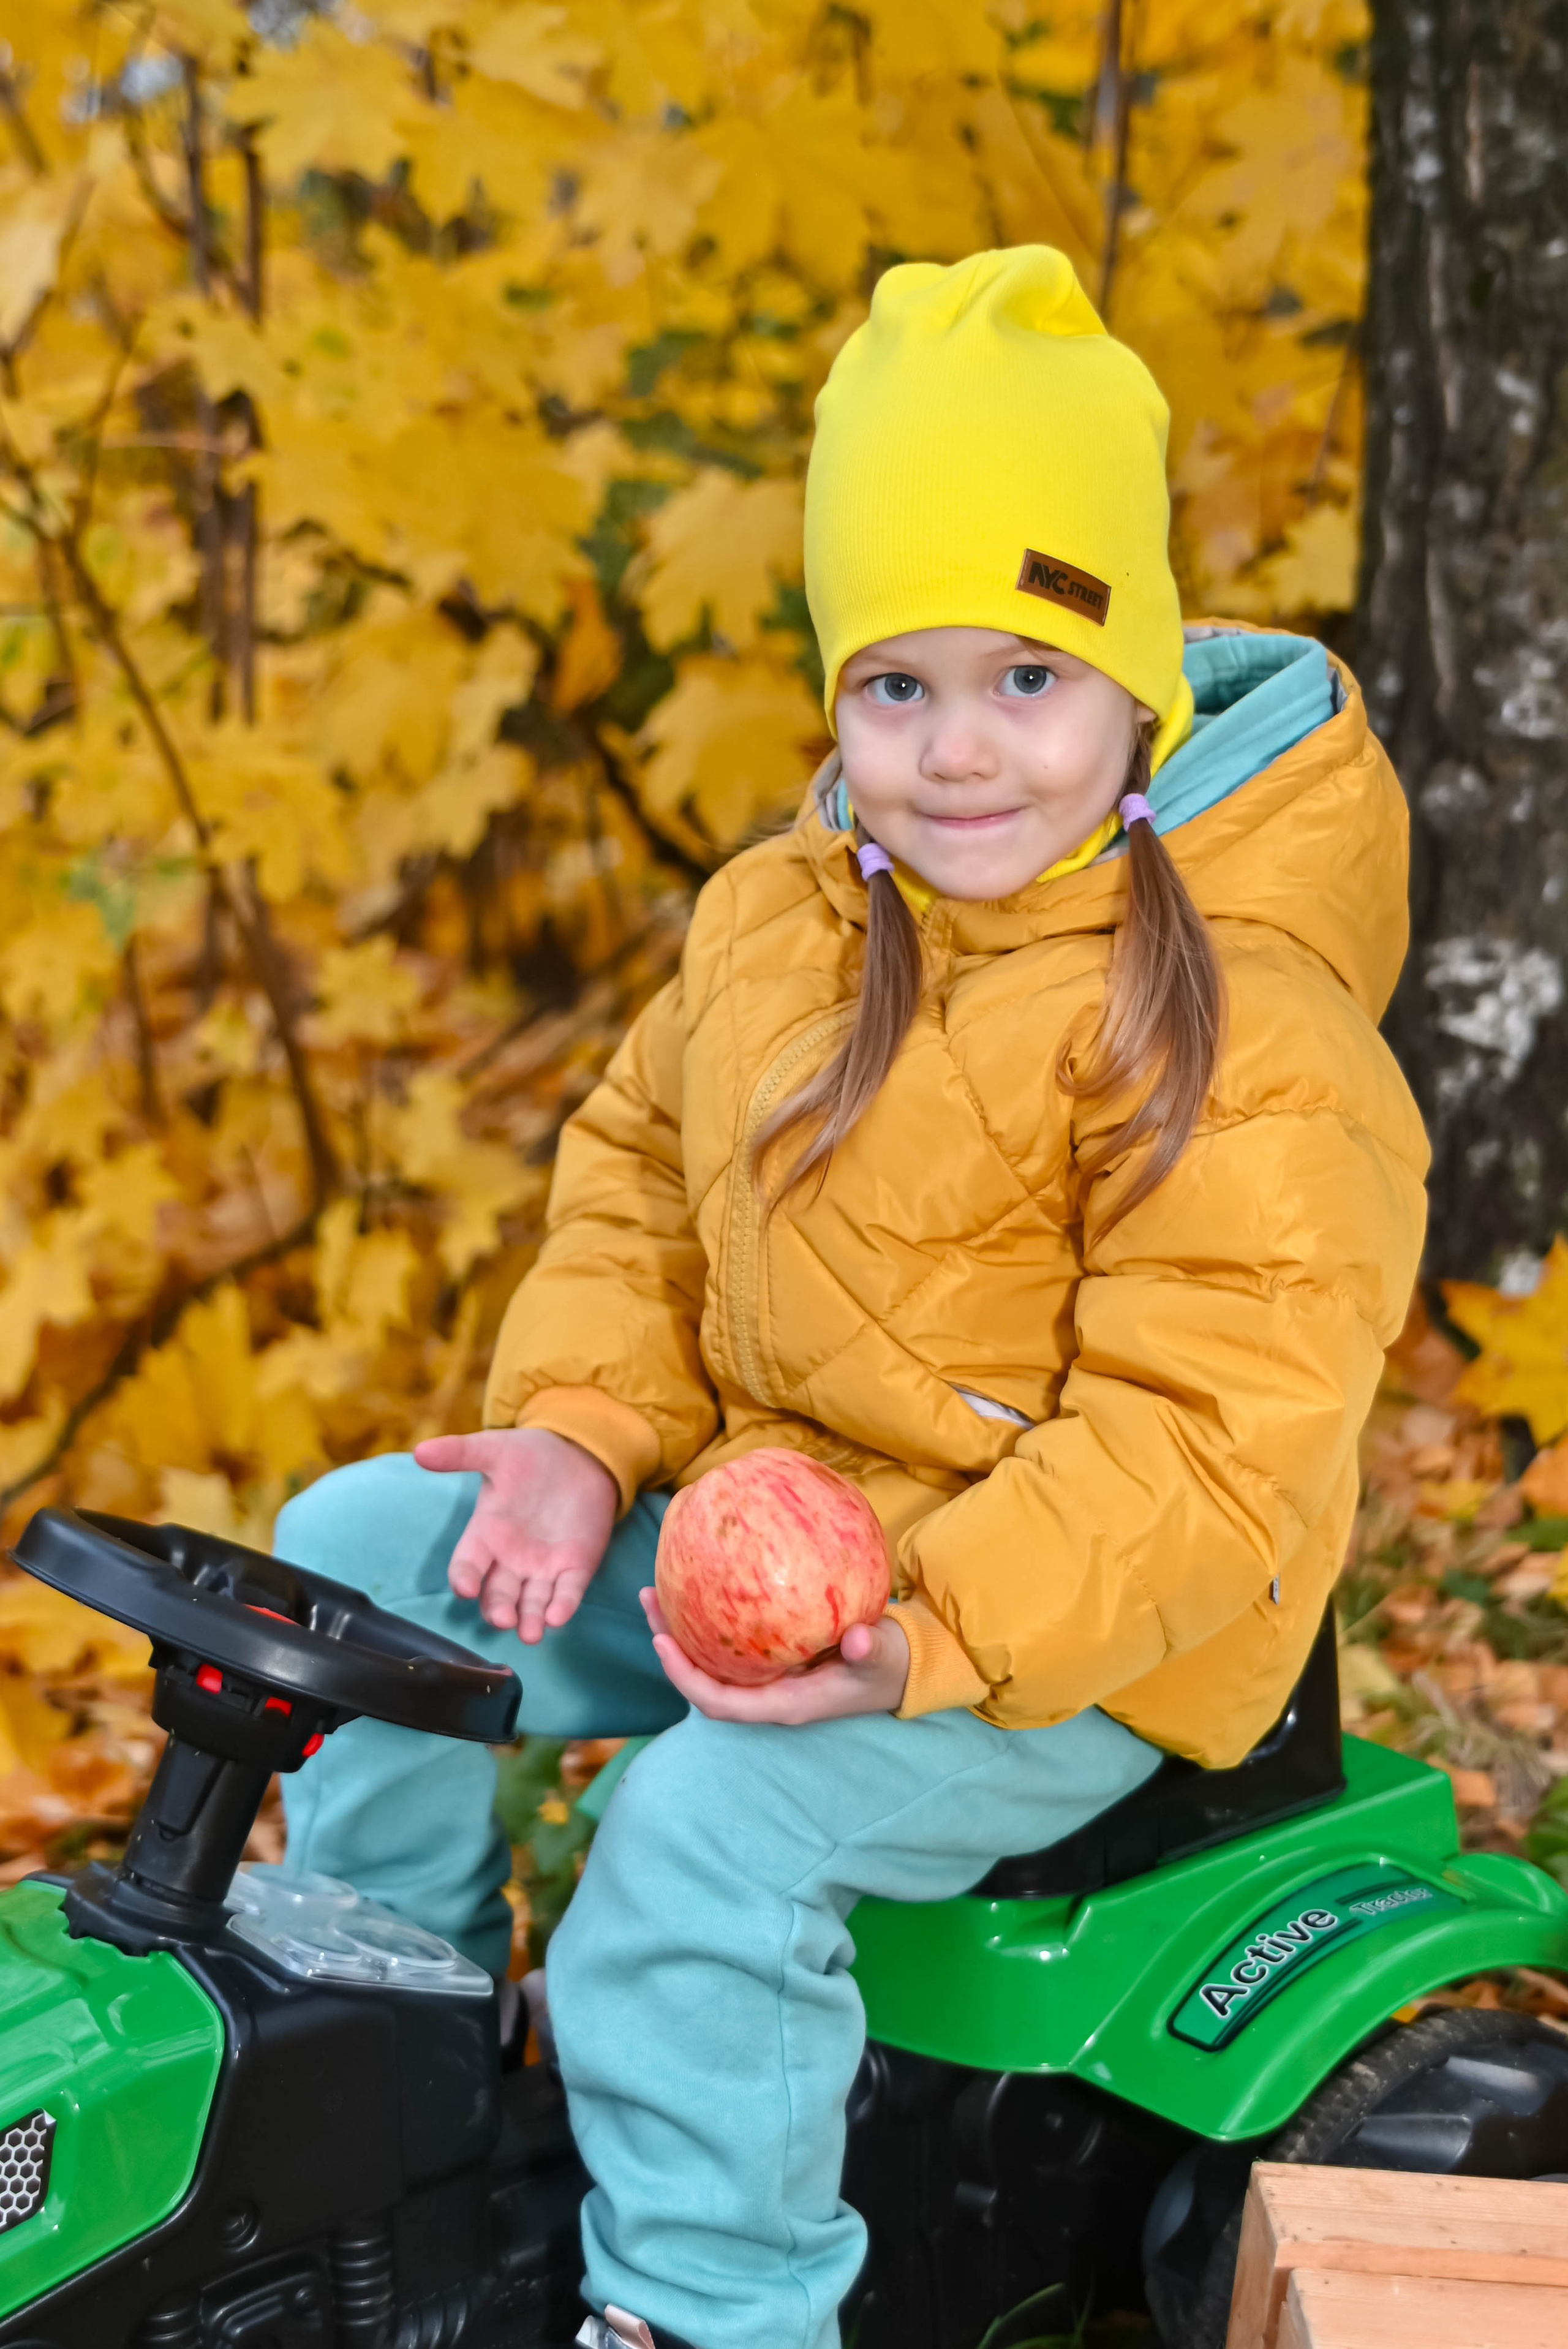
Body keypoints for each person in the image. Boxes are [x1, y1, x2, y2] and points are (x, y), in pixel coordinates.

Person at [274, 245, 1427, 2349]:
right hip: (779, 1530)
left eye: (1027, 679)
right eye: (896, 685)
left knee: (699, 1843)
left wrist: (932, 1635)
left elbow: (1211, 1454)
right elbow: (637, 1174)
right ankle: (400, 2079)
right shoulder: (784, 924)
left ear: (1139, 690)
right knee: (359, 1564)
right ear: (835, 699)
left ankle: (715, 2311)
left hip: (1074, 1632)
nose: (958, 753)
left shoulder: (1244, 1032)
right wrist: (574, 1432)